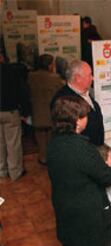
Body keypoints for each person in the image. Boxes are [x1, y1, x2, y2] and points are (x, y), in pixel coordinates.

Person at [47, 96, 111, 246]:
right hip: (86, 210)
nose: (87, 119)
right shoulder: (82, 148)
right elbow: (107, 177)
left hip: (63, 203)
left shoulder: (53, 143)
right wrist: (109, 168)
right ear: (77, 120)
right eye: (85, 115)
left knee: (69, 244)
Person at [52, 60, 105, 146]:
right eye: (89, 75)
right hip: (83, 151)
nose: (93, 78)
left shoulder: (87, 92)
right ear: (78, 78)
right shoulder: (63, 100)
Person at [28, 54, 64, 164]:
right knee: (51, 137)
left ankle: (43, 158)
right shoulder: (56, 78)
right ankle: (52, 157)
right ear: (49, 65)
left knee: (40, 137)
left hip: (36, 112)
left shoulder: (30, 76)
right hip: (51, 112)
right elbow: (61, 92)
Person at [0, 52, 30, 181]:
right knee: (13, 143)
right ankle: (15, 172)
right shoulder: (11, 71)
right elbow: (22, 92)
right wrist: (25, 112)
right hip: (11, 111)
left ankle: (1, 171)